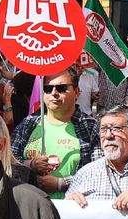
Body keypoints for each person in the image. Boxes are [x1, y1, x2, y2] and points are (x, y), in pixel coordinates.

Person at [11, 69, 98, 200]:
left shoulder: (90, 127)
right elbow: (8, 161)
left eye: (61, 88)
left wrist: (62, 183)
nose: (54, 93)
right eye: (47, 88)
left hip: (70, 210)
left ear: (76, 92)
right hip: (29, 206)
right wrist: (30, 165)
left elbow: (99, 172)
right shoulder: (29, 123)